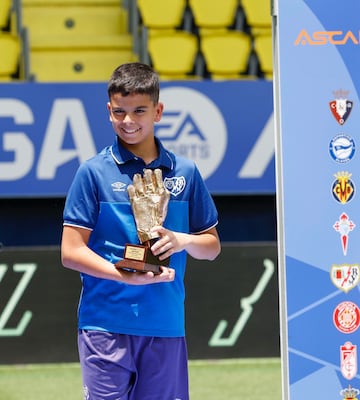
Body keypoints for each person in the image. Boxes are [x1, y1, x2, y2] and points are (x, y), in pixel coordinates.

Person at [61, 62, 221, 400]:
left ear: (158, 111)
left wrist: (182, 240)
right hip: (105, 324)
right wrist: (124, 276)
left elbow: (211, 247)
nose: (128, 121)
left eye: (139, 111)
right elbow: (71, 252)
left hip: (165, 323)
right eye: (119, 112)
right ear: (108, 111)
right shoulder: (91, 173)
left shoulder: (186, 172)